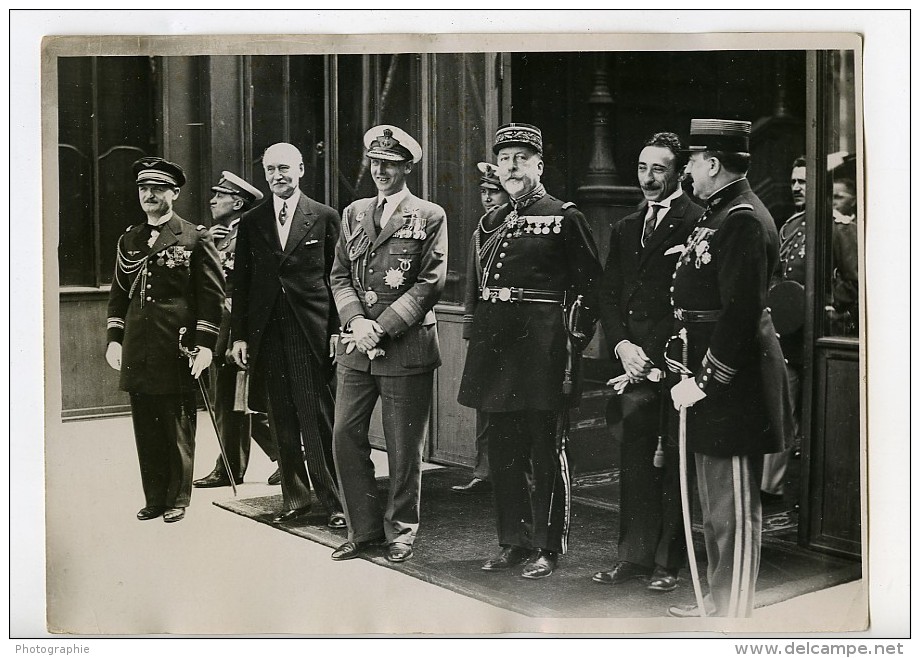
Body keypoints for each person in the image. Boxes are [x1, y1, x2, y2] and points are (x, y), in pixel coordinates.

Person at [458, 123, 602, 580]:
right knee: (503, 451)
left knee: (546, 450)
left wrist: (572, 343)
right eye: (505, 159)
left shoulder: (564, 216)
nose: (512, 166)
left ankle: (547, 546)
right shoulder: (495, 221)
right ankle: (513, 541)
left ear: (539, 165)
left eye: (521, 157)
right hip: (497, 350)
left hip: (543, 353)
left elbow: (593, 288)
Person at [667, 119, 792, 618]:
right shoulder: (719, 212)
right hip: (706, 369)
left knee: (732, 505)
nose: (688, 170)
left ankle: (733, 611)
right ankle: (719, 601)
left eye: (694, 161)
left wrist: (706, 379)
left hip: (731, 381)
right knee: (714, 500)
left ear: (713, 163)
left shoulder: (741, 217)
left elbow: (741, 312)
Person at [329, 125, 447, 564]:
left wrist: (380, 327)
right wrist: (356, 321)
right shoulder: (354, 211)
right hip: (356, 345)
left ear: (407, 167)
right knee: (344, 435)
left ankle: (401, 531)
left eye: (390, 164)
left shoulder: (430, 214)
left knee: (402, 447)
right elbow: (340, 274)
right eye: (375, 163)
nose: (380, 170)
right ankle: (363, 530)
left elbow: (430, 282)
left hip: (405, 345)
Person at [593, 132, 700, 592]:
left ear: (678, 172)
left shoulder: (697, 221)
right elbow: (608, 294)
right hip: (630, 363)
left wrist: (650, 355)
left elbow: (688, 300)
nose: (649, 178)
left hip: (673, 362)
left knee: (672, 465)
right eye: (642, 168)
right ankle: (632, 557)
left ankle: (667, 564)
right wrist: (621, 346)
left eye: (659, 169)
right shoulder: (624, 226)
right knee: (634, 463)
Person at [230, 143, 345, 529]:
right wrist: (240, 337)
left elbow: (337, 280)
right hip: (267, 333)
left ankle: (334, 501)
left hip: (309, 333)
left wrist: (335, 330)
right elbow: (241, 284)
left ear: (300, 170)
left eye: (284, 168)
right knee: (281, 418)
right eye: (270, 170)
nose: (277, 176)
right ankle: (295, 499)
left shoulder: (326, 217)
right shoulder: (252, 221)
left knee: (317, 418)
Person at [105, 157, 224, 523]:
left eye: (157, 189)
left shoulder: (194, 236)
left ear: (174, 193)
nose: (149, 195)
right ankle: (154, 497)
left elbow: (211, 296)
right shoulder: (130, 238)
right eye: (144, 189)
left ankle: (177, 498)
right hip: (139, 347)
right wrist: (114, 338)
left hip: (177, 345)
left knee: (177, 425)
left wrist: (204, 345)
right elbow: (118, 295)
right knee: (146, 425)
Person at [193, 171, 281, 489]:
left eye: (221, 195)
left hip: (238, 332)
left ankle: (282, 458)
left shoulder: (251, 232)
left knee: (242, 400)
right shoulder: (219, 235)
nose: (213, 200)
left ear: (238, 202)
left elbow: (253, 288)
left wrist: (240, 336)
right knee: (230, 401)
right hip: (219, 328)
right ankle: (236, 465)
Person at [453, 162, 510, 496]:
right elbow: (473, 284)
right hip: (486, 329)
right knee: (484, 404)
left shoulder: (517, 227)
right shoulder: (481, 232)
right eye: (484, 192)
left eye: (494, 192)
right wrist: (470, 326)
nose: (488, 199)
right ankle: (484, 471)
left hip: (516, 330)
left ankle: (512, 473)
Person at [761, 156, 808, 503]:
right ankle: (771, 486)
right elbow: (776, 275)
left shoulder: (829, 226)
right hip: (789, 332)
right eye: (793, 182)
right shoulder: (789, 227)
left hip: (818, 331)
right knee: (785, 406)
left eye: (803, 182)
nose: (796, 188)